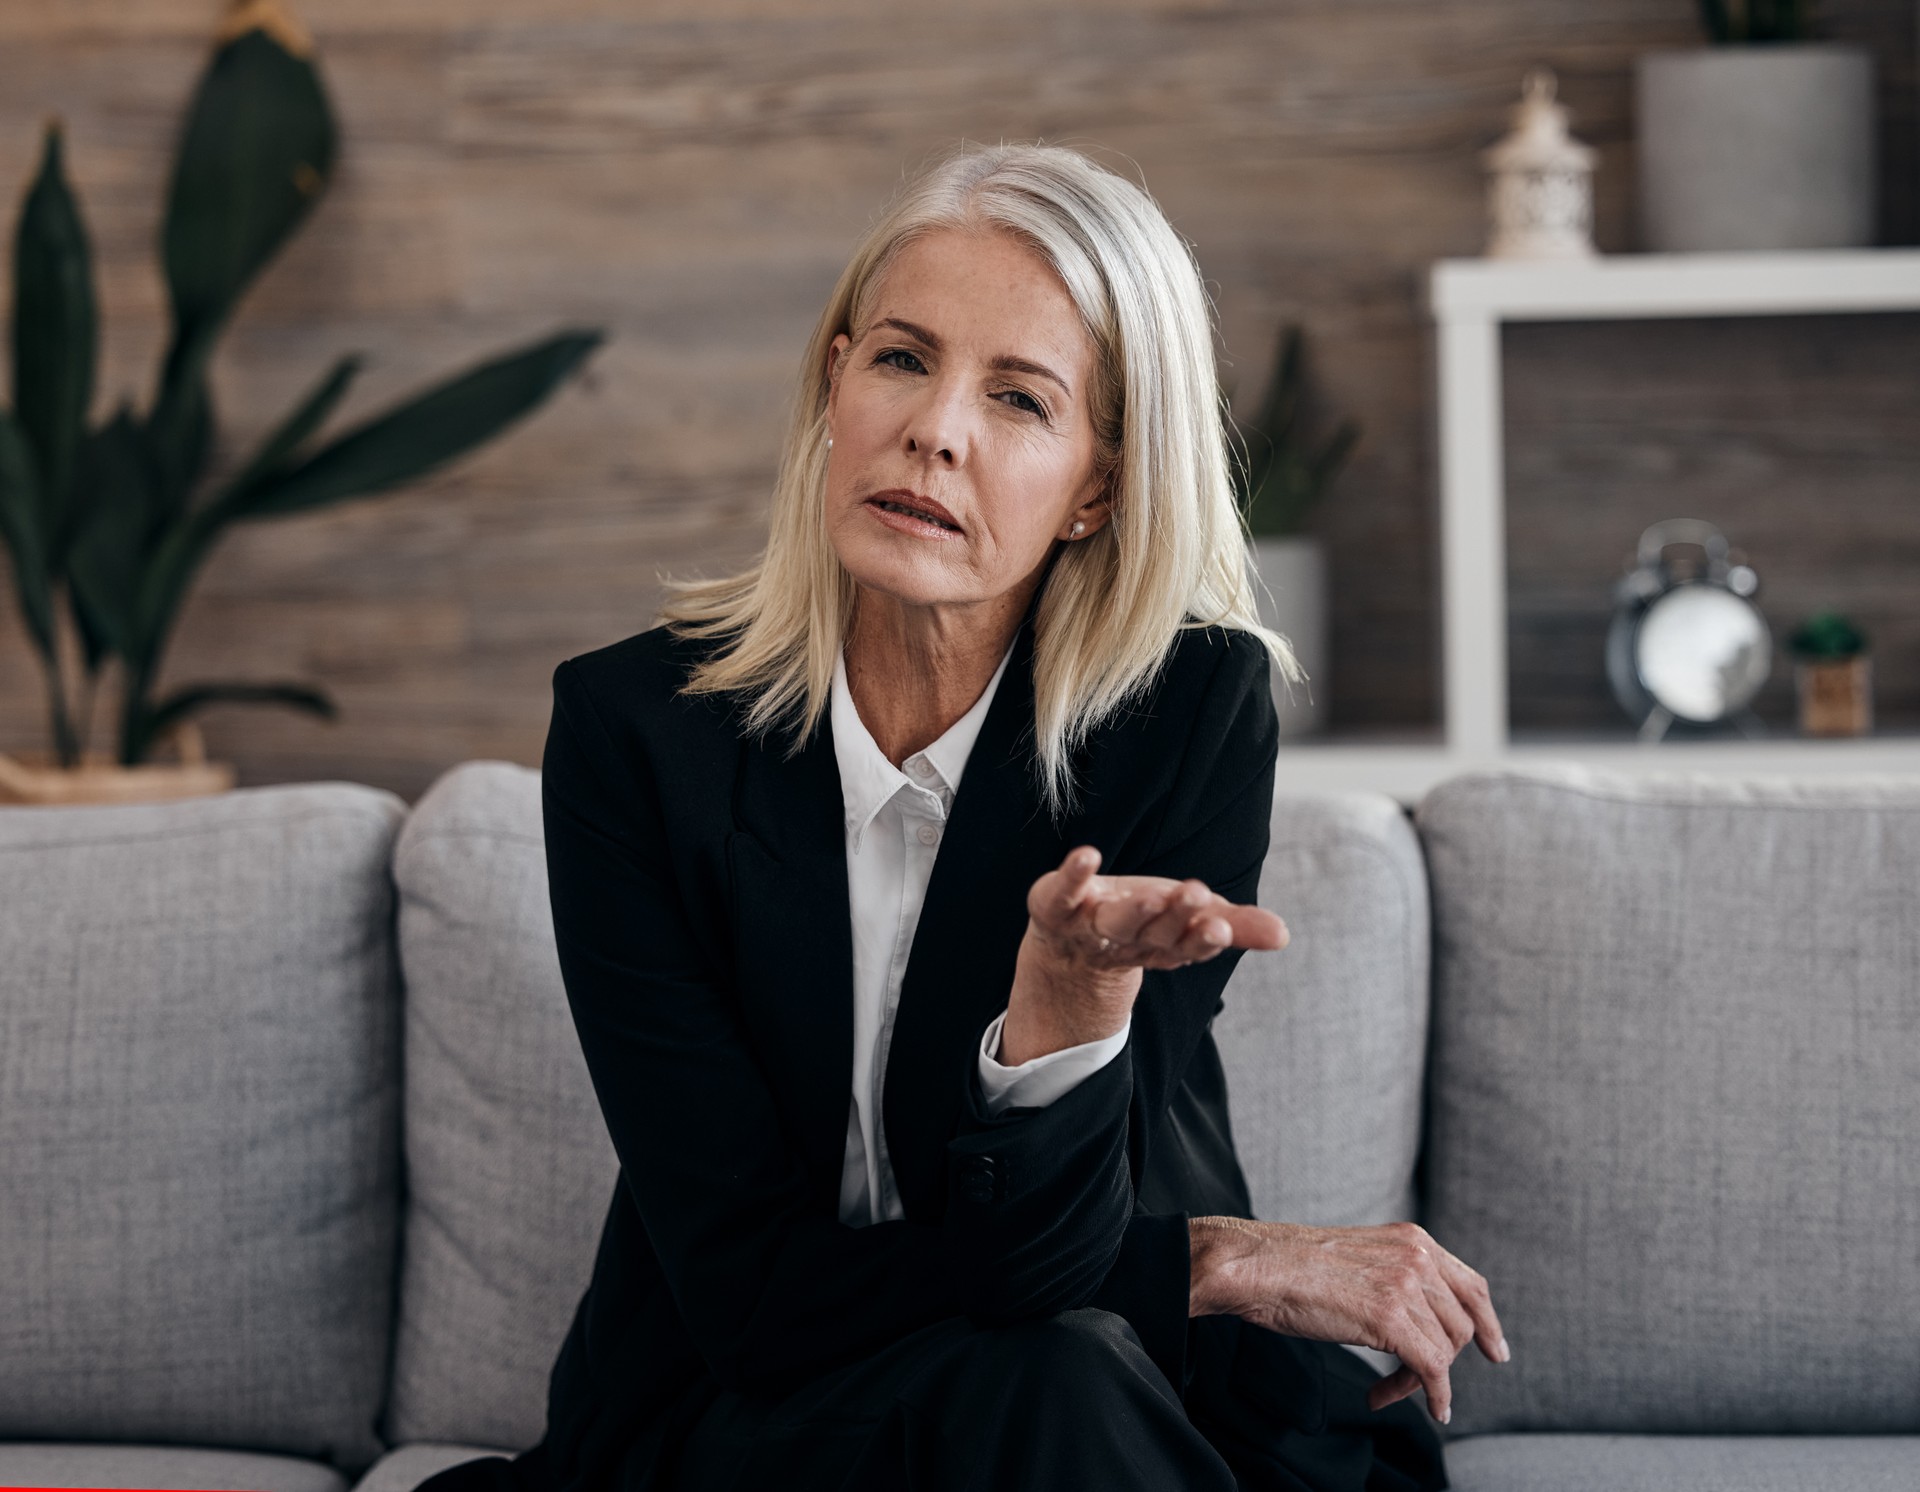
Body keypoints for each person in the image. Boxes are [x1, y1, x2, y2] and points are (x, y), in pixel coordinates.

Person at [422, 141, 1504, 1492]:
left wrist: (1056, 1022)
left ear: (1097, 489)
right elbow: (750, 1293)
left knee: (1052, 1372)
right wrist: (1221, 1260)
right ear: (834, 380)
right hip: (753, 1415)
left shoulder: (1185, 718)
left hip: (1103, 1377)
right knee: (1039, 1379)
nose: (937, 428)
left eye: (1020, 398)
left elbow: (1055, 1265)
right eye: (900, 360)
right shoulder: (638, 737)